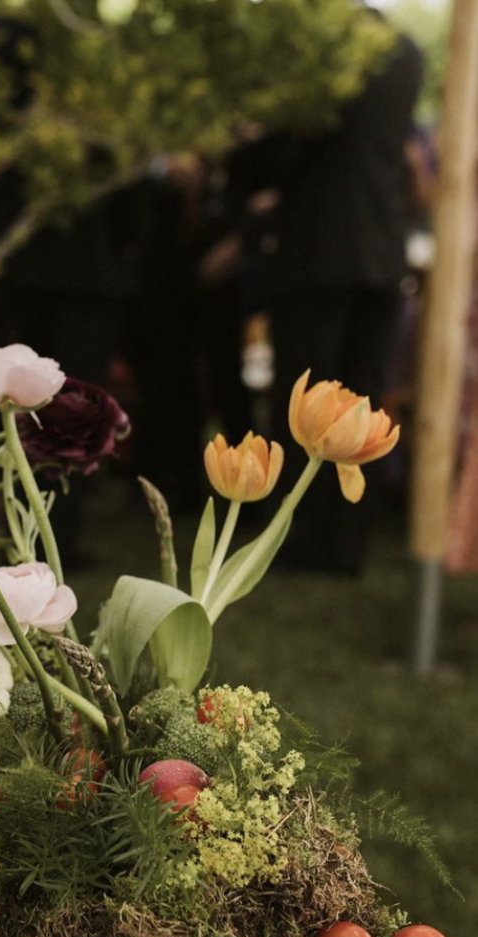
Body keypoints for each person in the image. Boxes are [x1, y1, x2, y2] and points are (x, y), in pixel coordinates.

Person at [226, 16, 424, 572]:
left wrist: (238, 156)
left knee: (304, 403)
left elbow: (289, 152)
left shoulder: (325, 48)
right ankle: (346, 546)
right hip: (383, 253)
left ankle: (298, 542)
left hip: (320, 250)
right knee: (363, 400)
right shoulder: (406, 49)